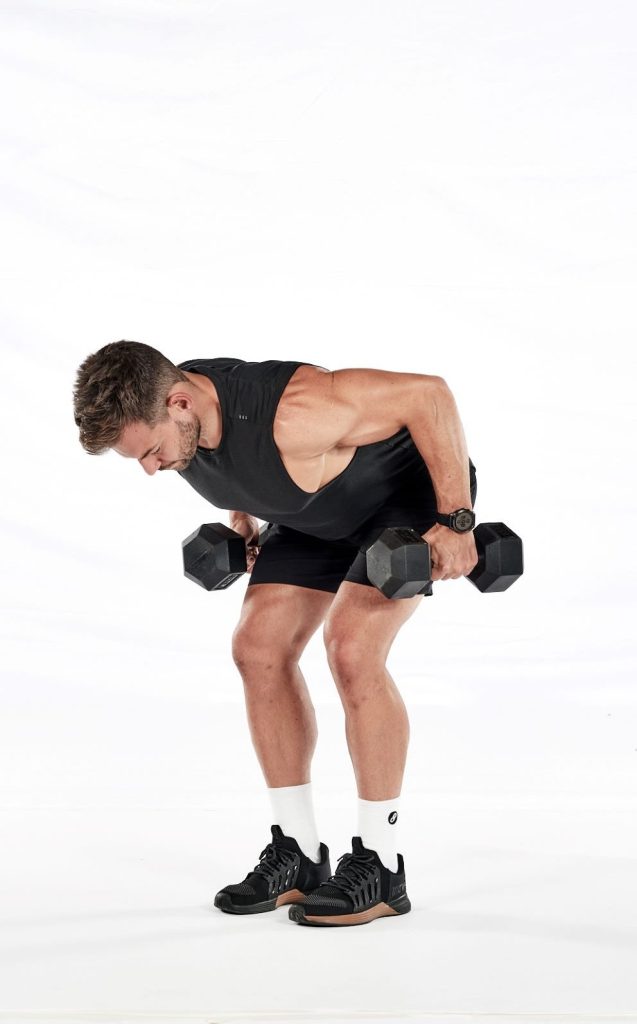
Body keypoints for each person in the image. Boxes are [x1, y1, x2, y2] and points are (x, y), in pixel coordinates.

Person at [73, 340, 478, 928]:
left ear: (180, 402)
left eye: (153, 451)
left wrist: (455, 521)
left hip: (401, 504)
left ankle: (382, 865)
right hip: (312, 515)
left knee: (350, 648)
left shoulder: (298, 409)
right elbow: (235, 472)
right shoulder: (181, 420)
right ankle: (299, 854)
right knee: (257, 649)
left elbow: (429, 394)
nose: (151, 469)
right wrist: (244, 518)